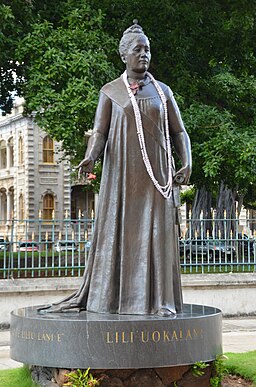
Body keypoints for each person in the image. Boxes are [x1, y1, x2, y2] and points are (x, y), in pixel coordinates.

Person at [40, 21, 192, 317]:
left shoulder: (163, 91)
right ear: (124, 55)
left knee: (158, 235)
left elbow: (180, 132)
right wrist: (90, 156)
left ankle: (161, 302)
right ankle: (111, 300)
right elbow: (100, 132)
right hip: (122, 177)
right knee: (120, 234)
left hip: (158, 177)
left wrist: (187, 161)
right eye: (137, 49)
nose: (144, 54)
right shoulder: (110, 91)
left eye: (147, 49)